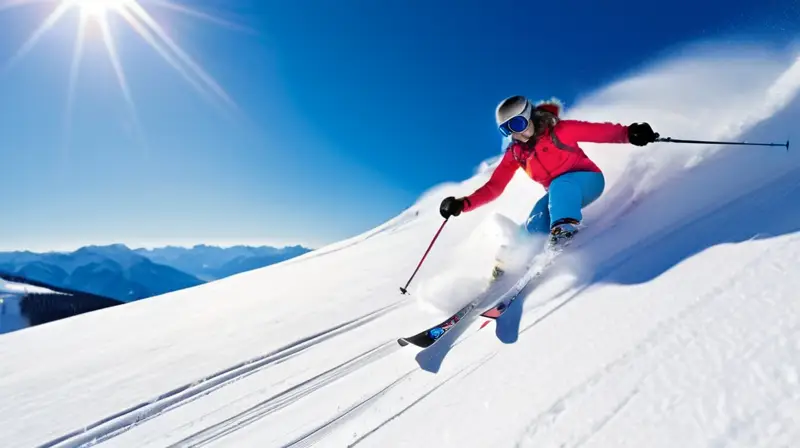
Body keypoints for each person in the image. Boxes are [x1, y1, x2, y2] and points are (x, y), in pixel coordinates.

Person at [438, 95, 658, 276]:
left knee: (561, 185)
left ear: (530, 116)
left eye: (517, 124)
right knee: (535, 221)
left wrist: (629, 133)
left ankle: (563, 231)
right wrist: (463, 203)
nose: (515, 133)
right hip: (559, 196)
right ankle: (510, 265)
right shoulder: (516, 153)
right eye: (507, 130)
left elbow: (600, 132)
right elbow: (494, 186)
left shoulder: (560, 131)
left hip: (588, 180)